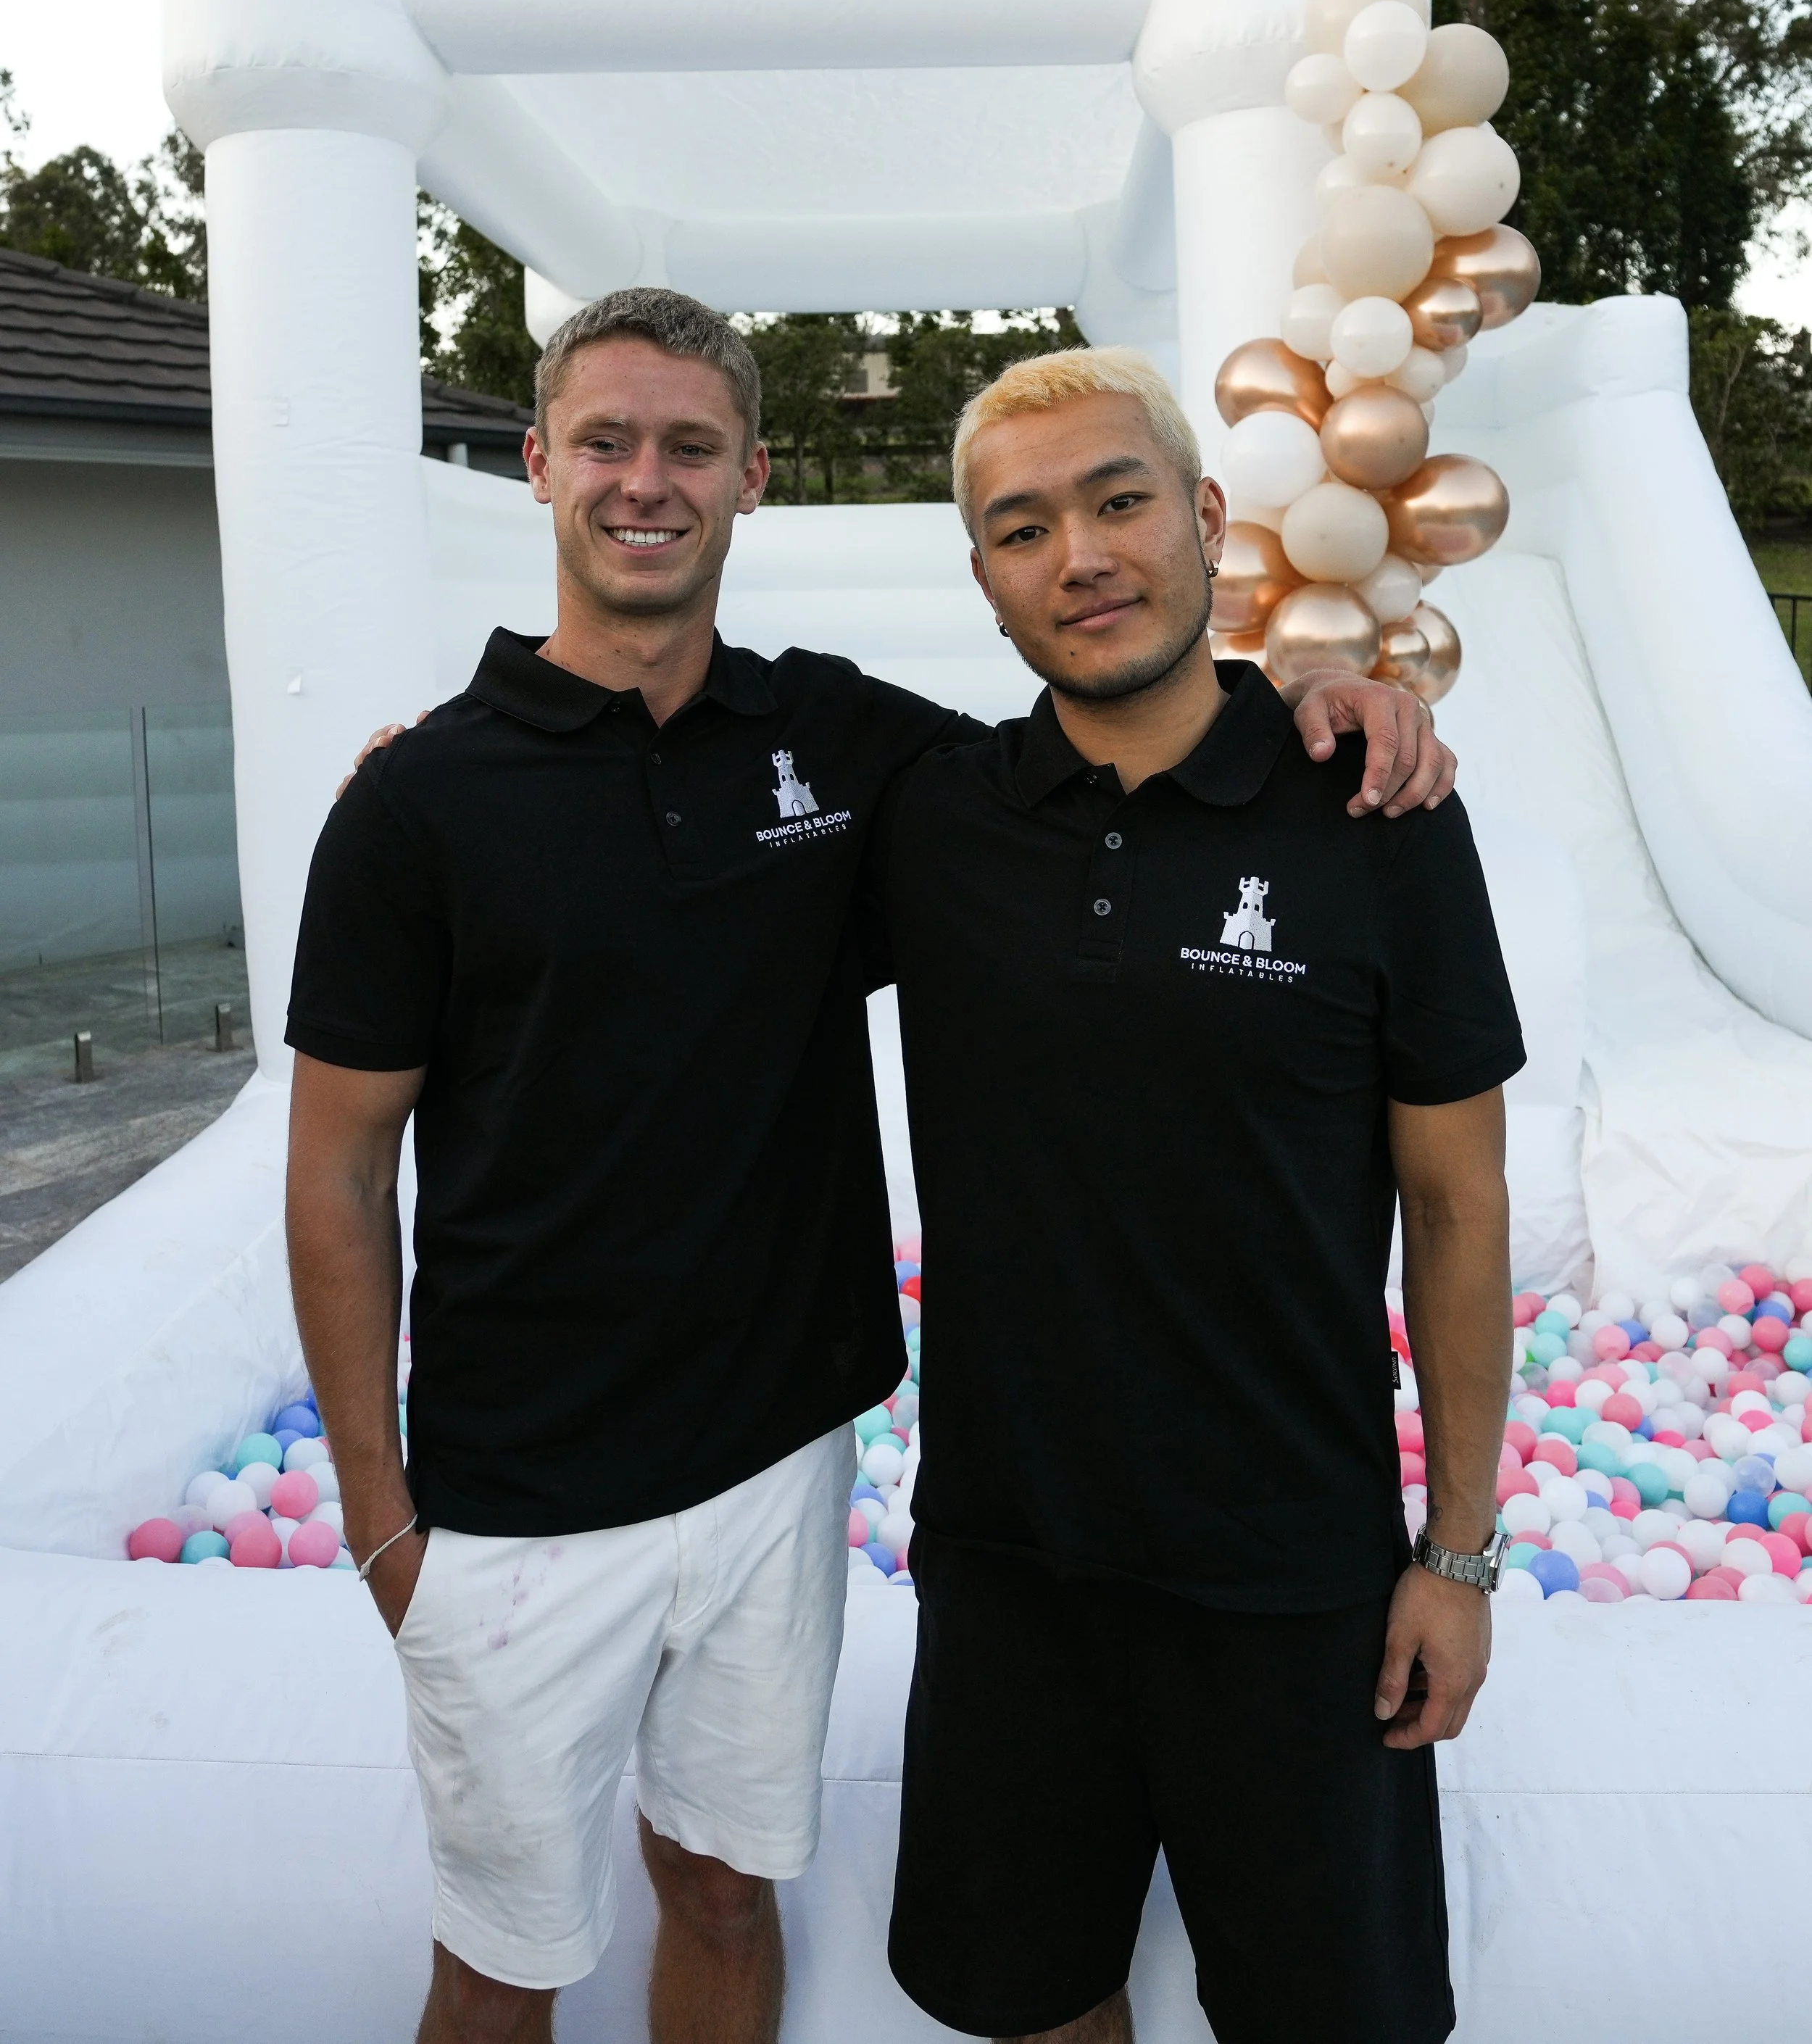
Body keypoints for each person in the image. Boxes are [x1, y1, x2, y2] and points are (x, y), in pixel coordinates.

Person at [286, 289, 1456, 2044]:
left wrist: (1301, 690)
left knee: (722, 1893)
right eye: (605, 441)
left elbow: (1107, 737)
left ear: (752, 475)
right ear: (536, 462)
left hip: (775, 1471)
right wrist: (379, 1515)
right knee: (501, 1963)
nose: (644, 481)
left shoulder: (844, 747)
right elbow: (334, 1172)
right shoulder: (417, 802)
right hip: (518, 1494)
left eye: (690, 445)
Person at [875, 346, 1523, 2044]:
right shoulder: (931, 817)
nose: (1079, 556)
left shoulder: (1372, 806)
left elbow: (1458, 1206)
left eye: (1117, 500)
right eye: (1022, 527)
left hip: (1293, 1581)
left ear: (1204, 515)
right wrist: (432, 759)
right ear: (982, 575)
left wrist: (1456, 1552)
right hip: (1010, 1568)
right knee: (1036, 2003)